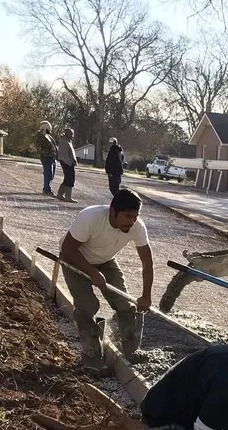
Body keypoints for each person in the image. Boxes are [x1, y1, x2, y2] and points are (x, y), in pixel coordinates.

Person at [59, 188, 153, 373]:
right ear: (112, 211)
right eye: (127, 216)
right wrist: (92, 272)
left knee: (125, 304)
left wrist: (146, 296)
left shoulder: (137, 226)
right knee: (87, 306)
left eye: (135, 216)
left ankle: (129, 349)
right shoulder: (90, 218)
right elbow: (69, 248)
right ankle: (91, 354)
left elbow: (147, 262)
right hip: (75, 258)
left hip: (106, 261)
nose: (131, 221)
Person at [35, 121, 59, 196]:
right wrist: (44, 152)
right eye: (48, 129)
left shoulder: (49, 136)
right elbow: (38, 145)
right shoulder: (40, 136)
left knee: (51, 175)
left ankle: (49, 188)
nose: (50, 130)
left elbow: (54, 145)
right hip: (46, 157)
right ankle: (46, 189)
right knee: (48, 173)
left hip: (53, 157)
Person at [56, 127, 78, 202]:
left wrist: (74, 161)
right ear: (67, 134)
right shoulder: (63, 141)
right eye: (71, 134)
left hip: (69, 162)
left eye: (73, 134)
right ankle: (68, 197)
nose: (72, 135)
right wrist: (69, 163)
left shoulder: (69, 141)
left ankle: (60, 194)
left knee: (67, 179)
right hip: (66, 163)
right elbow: (64, 154)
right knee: (69, 179)